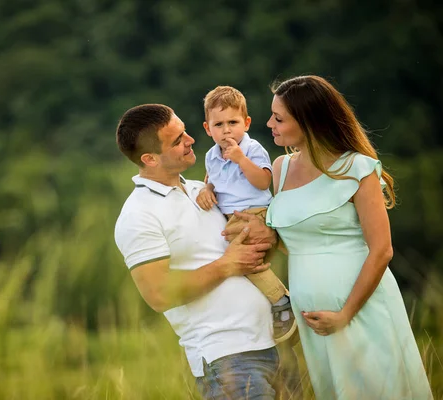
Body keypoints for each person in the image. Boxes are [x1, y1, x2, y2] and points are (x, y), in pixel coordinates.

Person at [262, 75, 433, 399]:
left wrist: (346, 313)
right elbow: (295, 240)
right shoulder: (281, 169)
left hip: (360, 309)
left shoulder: (358, 168)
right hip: (313, 318)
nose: (270, 123)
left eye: (279, 118)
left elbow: (382, 250)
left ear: (309, 122)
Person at [114, 104, 283, 399]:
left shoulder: (204, 189)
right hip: (229, 359)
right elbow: (159, 294)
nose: (191, 140)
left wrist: (268, 232)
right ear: (149, 158)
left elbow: (258, 225)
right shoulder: (138, 214)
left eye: (185, 132)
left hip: (280, 342)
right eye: (177, 140)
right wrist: (226, 265)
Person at [196, 85, 296, 343]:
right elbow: (214, 179)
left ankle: (281, 300)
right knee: (241, 257)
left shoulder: (252, 150)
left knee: (241, 255)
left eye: (233, 122)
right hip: (236, 216)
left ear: (246, 123)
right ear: (208, 129)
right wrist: (207, 188)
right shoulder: (211, 156)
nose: (226, 130)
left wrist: (241, 159)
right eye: (218, 124)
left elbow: (263, 181)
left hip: (257, 212)